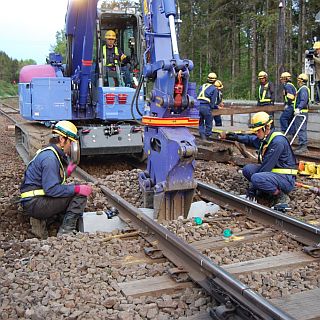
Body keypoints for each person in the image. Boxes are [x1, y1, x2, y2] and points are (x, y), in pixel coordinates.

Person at [20, 121, 92, 238]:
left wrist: (66, 173)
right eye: (71, 143)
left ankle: (51, 219)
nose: (71, 147)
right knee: (79, 194)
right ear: (62, 140)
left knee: (72, 189)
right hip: (36, 204)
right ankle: (66, 232)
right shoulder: (50, 158)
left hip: (32, 201)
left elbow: (48, 180)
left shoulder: (49, 152)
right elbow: (52, 189)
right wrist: (78, 189)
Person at [220, 111, 297, 208]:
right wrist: (235, 137)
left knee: (256, 178)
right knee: (247, 169)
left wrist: (253, 188)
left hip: (286, 179)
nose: (256, 133)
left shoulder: (277, 142)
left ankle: (280, 195)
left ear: (267, 127)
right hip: (275, 174)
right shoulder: (266, 138)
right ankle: (266, 191)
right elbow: (250, 139)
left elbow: (266, 168)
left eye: (258, 131)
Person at [197, 73, 218, 140]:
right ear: (215, 80)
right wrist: (213, 107)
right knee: (208, 122)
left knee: (200, 122)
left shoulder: (202, 86)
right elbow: (213, 101)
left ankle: (202, 136)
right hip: (206, 106)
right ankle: (208, 136)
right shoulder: (214, 89)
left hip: (198, 106)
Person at [293, 73, 310, 154]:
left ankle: (303, 146)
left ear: (301, 81)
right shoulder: (302, 89)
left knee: (301, 129)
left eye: (298, 80)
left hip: (302, 112)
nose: (297, 82)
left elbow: (303, 100)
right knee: (299, 129)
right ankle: (301, 145)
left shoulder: (303, 89)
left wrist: (298, 108)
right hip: (301, 112)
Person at [279, 72, 296, 138]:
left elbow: (290, 97)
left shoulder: (287, 86)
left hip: (290, 105)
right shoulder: (291, 85)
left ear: (286, 79)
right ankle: (292, 133)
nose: (281, 80)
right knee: (290, 120)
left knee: (283, 118)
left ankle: (286, 132)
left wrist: (287, 104)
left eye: (282, 79)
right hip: (293, 105)